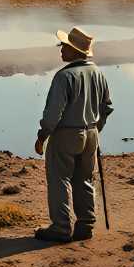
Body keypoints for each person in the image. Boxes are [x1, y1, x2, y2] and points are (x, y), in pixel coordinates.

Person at [33, 27, 113, 243]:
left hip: (66, 134)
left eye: (64, 46)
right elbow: (107, 107)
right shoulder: (97, 72)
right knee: (84, 178)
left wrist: (42, 136)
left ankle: (61, 228)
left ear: (74, 50)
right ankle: (86, 224)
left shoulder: (64, 76)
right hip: (91, 133)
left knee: (59, 179)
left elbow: (52, 115)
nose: (61, 50)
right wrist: (96, 129)